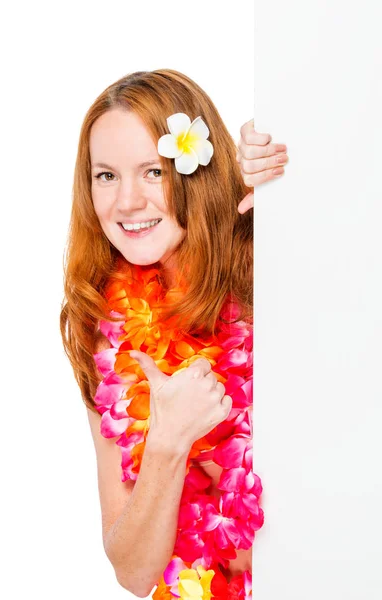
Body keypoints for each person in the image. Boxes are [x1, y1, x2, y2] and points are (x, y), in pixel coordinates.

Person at [60, 69, 289, 599]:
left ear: (197, 170)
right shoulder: (103, 331)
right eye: (107, 176)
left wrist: (296, 179)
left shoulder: (269, 271)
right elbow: (135, 573)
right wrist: (169, 441)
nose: (127, 203)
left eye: (153, 171)